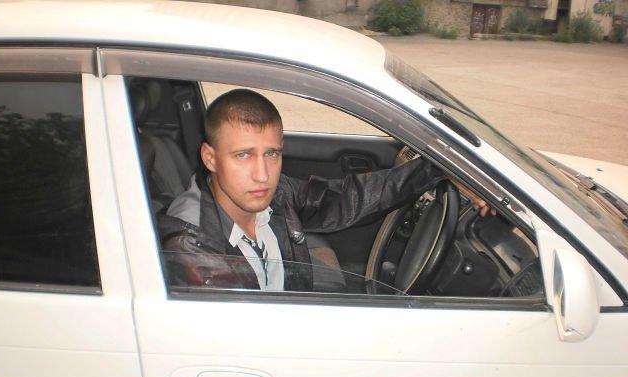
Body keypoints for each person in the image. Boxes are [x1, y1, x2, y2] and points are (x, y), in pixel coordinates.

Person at [161, 88, 493, 292]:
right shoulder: (193, 249)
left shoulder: (275, 195)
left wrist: (439, 169)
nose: (262, 175)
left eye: (271, 154)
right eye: (243, 155)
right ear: (210, 158)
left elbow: (348, 198)